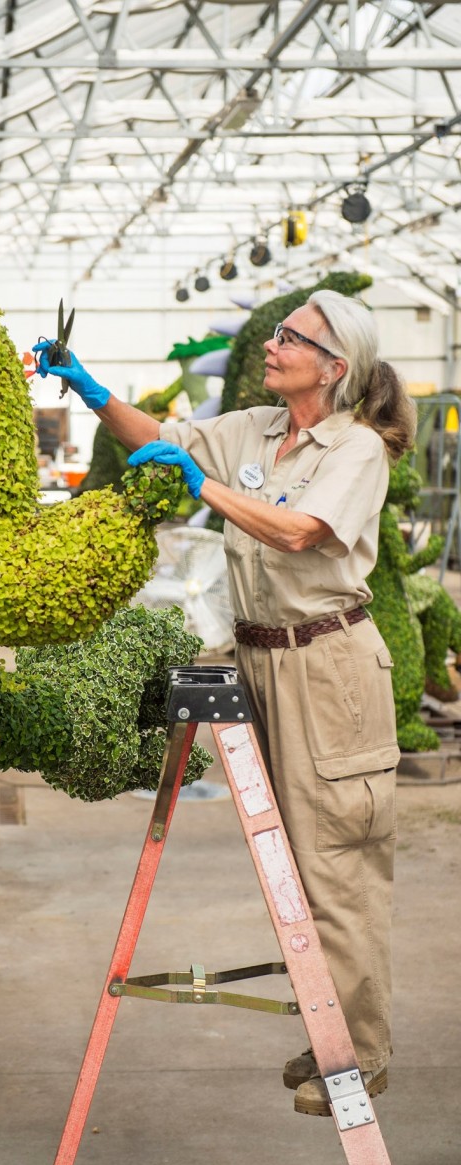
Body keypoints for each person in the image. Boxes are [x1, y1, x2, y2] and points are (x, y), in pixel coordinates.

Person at [33, 289, 417, 1116]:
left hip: (328, 666)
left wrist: (201, 487)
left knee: (336, 864)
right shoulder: (257, 429)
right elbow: (164, 440)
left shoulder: (355, 450)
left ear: (333, 366)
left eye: (290, 337)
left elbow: (298, 532)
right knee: (290, 860)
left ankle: (362, 1056)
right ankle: (330, 1034)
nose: (273, 346)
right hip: (258, 658)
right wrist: (92, 391)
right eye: (277, 333)